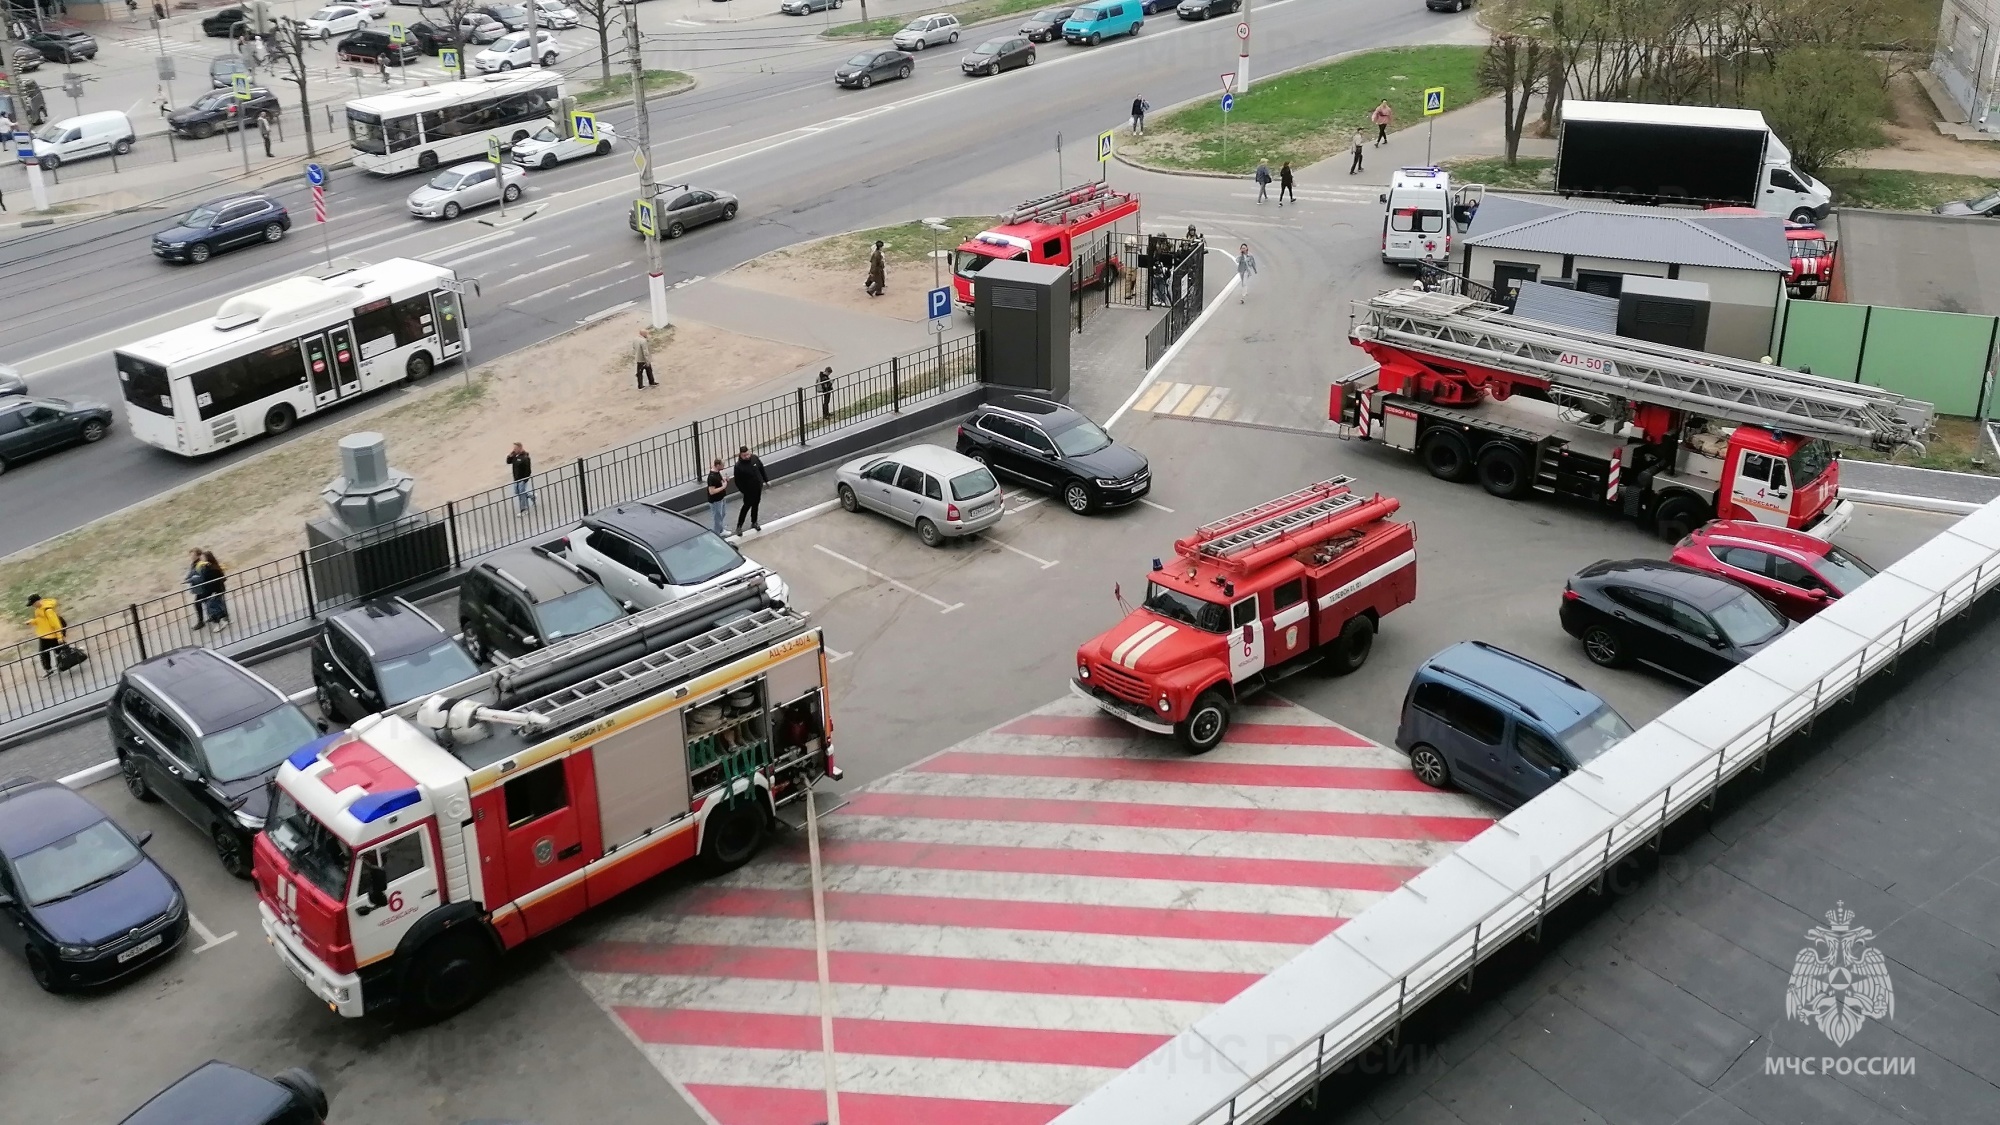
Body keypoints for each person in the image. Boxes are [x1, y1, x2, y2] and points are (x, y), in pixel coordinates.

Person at [733, 446, 768, 535]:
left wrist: (766, 480)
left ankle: (754, 522)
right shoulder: (738, 466)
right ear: (741, 455)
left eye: (748, 454)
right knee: (746, 507)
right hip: (748, 491)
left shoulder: (754, 458)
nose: (747, 456)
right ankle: (739, 526)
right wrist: (744, 491)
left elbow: (761, 469)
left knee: (756, 504)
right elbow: (738, 481)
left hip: (758, 487)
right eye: (745, 455)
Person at [28, 594, 65, 676]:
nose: (33, 606)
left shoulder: (48, 610)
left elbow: (56, 624)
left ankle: (63, 665)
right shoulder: (38, 609)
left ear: (38, 601)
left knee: (57, 652)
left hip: (52, 635)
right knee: (45, 653)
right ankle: (51, 669)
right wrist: (32, 622)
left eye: (33, 604)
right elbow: (40, 621)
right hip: (44, 635)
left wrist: (59, 637)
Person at [196, 550, 229, 628]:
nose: (201, 559)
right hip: (212, 591)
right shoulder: (207, 567)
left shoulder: (212, 568)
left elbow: (208, 579)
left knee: (213, 607)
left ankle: (220, 622)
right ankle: (223, 620)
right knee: (217, 605)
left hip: (214, 591)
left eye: (203, 558)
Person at [506, 442, 536, 512]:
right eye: (514, 448)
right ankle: (531, 496)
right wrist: (509, 456)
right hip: (516, 478)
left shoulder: (525, 457)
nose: (514, 450)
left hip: (522, 479)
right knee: (517, 492)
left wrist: (525, 479)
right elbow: (508, 462)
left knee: (521, 493)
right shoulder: (515, 456)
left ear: (520, 448)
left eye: (515, 448)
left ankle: (524, 509)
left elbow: (528, 470)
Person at [705, 459, 728, 535]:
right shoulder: (712, 477)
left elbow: (718, 482)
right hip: (716, 500)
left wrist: (724, 480)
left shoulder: (717, 472)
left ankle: (721, 530)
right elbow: (711, 491)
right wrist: (723, 487)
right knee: (717, 517)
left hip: (721, 498)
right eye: (722, 465)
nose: (723, 467)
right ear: (718, 465)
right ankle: (717, 533)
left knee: (722, 514)